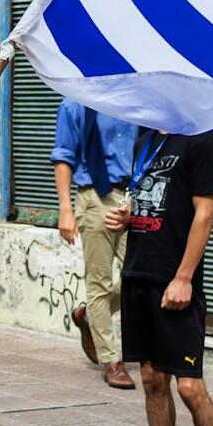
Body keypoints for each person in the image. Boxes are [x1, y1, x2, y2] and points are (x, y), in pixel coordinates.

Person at [105, 130, 213, 426]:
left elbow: (204, 213)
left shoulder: (201, 142)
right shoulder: (145, 141)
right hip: (138, 274)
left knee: (191, 387)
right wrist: (128, 219)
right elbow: (155, 204)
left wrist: (184, 277)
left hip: (175, 281)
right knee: (151, 378)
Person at [52, 100, 137, 389]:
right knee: (98, 282)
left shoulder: (134, 99)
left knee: (136, 277)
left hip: (133, 198)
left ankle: (89, 314)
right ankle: (111, 360)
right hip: (95, 197)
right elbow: (63, 156)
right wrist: (65, 209)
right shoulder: (75, 103)